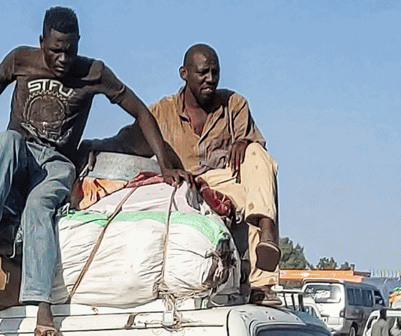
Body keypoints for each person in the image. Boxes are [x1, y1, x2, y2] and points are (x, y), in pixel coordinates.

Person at [0, 6, 184, 336]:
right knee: (6, 139)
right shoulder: (20, 60)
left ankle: (43, 309)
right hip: (21, 155)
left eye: (69, 50)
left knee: (39, 209)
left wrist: (164, 162)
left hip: (57, 164)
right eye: (55, 50)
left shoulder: (93, 72)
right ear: (42, 42)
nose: (62, 58)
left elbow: (140, 110)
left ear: (78, 44)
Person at [90, 43, 281, 304]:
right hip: (188, 188)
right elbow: (125, 141)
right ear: (184, 73)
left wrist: (245, 143)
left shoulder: (233, 104)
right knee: (255, 194)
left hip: (226, 181)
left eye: (215, 72)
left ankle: (264, 271)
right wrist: (91, 147)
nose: (210, 79)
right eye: (203, 73)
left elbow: (256, 160)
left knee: (258, 158)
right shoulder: (162, 112)